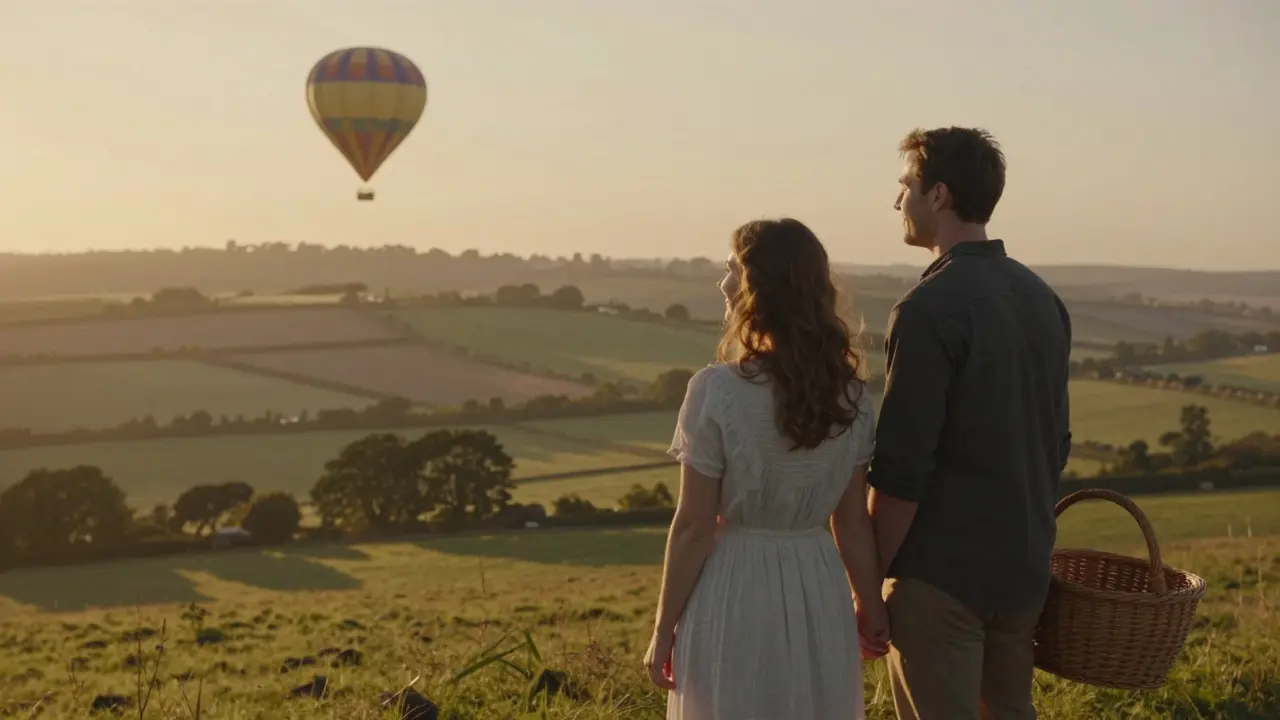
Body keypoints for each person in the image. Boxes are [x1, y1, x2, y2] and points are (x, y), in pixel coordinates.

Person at [642, 217, 888, 719]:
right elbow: (852, 521)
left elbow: (693, 527)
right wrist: (869, 604)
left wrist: (663, 630)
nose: (722, 282)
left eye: (732, 268)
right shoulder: (853, 397)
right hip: (816, 584)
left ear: (758, 287)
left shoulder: (717, 391)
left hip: (734, 585)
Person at [866, 126, 1073, 719]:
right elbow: (1054, 445)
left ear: (940, 196)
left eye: (906, 185)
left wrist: (865, 585)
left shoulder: (928, 308)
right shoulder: (1042, 299)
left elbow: (903, 469)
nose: (897, 200)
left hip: (940, 578)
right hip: (1022, 574)